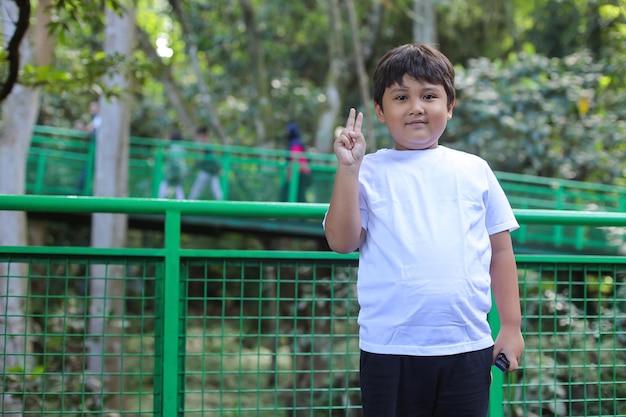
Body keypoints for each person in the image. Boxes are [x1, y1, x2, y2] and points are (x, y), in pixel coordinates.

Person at [323, 43, 525, 417]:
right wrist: (349, 170)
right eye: (401, 97)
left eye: (429, 95)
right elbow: (341, 241)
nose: (416, 106)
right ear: (381, 112)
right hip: (389, 350)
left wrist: (510, 327)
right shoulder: (368, 171)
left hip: (466, 348)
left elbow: (500, 251)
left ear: (449, 106)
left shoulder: (474, 170)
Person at [188, 126, 223, 200]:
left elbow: (200, 158)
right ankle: (222, 207)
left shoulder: (203, 144)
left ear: (201, 134)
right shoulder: (209, 144)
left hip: (207, 171)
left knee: (196, 190)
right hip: (212, 171)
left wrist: (192, 169)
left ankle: (189, 205)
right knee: (217, 193)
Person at [279, 122, 311, 202]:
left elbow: (295, 160)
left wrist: (290, 175)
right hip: (300, 173)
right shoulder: (296, 142)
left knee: (288, 195)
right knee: (298, 196)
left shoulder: (295, 143)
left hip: (299, 173)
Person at [76, 100, 101, 194]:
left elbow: (89, 129)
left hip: (97, 153)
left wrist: (82, 127)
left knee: (87, 175)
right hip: (93, 151)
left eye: (94, 106)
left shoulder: (100, 118)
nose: (92, 109)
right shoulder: (95, 118)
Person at [158, 130, 188, 200]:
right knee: (178, 186)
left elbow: (174, 161)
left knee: (165, 183)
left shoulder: (172, 147)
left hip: (173, 170)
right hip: (180, 172)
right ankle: (181, 202)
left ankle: (160, 200)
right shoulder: (181, 147)